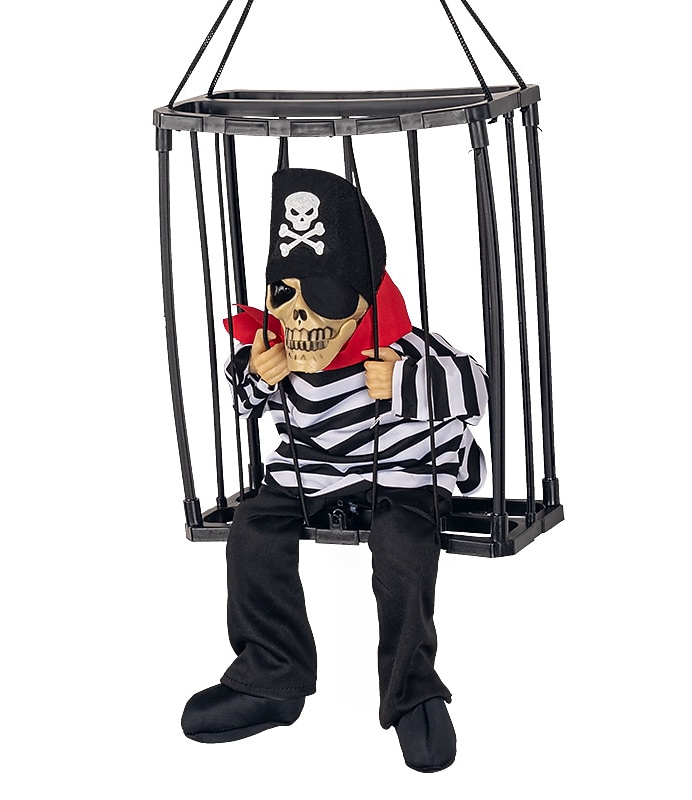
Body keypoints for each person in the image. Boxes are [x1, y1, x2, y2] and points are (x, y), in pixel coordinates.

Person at [181, 168, 488, 773]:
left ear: (366, 299)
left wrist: (405, 382)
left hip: (402, 471)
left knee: (403, 549)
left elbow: (478, 386)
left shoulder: (404, 348)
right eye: (285, 295)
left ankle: (412, 693)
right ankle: (272, 675)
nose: (299, 317)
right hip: (310, 473)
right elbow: (243, 396)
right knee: (252, 532)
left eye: (323, 295)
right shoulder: (280, 350)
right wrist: (257, 375)